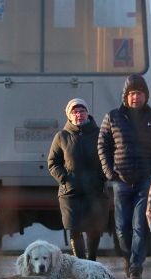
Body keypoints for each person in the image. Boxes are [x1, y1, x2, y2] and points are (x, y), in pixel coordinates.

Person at [97, 74, 151, 279]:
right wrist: (109, 172)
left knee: (140, 225)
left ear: (145, 96)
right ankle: (128, 259)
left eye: (139, 93)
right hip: (120, 182)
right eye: (131, 94)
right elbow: (103, 146)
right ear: (125, 97)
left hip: (145, 182)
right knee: (121, 228)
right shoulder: (112, 117)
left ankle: (136, 267)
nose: (135, 97)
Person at [48, 98, 109, 261]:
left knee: (94, 228)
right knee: (74, 228)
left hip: (95, 190)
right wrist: (64, 179)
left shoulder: (99, 134)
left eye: (82, 111)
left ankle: (92, 261)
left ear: (87, 113)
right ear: (69, 116)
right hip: (70, 191)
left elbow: (108, 158)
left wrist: (102, 177)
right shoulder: (61, 136)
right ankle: (80, 263)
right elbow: (53, 162)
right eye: (75, 112)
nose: (79, 115)